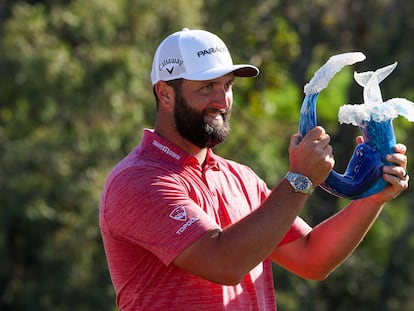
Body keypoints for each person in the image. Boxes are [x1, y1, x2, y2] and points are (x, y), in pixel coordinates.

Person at [99, 28, 409, 311]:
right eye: (207, 87)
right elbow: (224, 263)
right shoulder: (137, 181)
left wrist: (372, 197)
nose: (222, 100)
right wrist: (299, 180)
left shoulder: (240, 178)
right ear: (165, 93)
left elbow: (312, 257)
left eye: (228, 85)